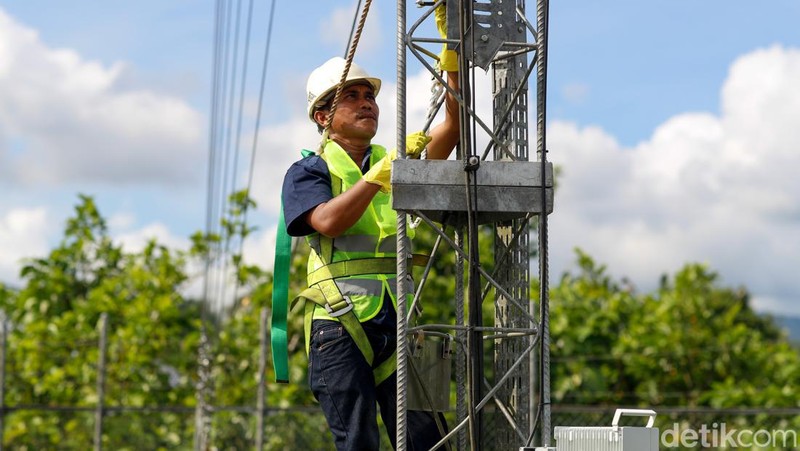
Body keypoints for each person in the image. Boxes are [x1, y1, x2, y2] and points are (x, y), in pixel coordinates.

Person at [281, 33, 460, 451]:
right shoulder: (309, 171)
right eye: (351, 96)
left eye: (369, 96)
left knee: (427, 441)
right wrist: (378, 175)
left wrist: (452, 56)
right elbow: (327, 221)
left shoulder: (393, 160)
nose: (367, 103)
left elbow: (452, 126)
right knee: (359, 441)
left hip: (398, 324)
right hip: (340, 325)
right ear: (322, 117)